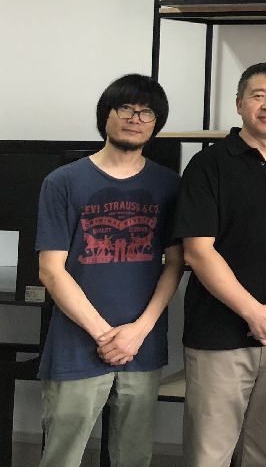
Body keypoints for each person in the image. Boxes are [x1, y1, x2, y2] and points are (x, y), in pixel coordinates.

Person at [173, 62, 266, 467]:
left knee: (264, 453)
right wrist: (254, 312)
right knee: (209, 456)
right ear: (239, 103)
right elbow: (197, 251)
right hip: (219, 335)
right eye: (258, 96)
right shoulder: (209, 164)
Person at [35, 74, 182, 467]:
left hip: (142, 345)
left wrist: (138, 332)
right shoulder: (63, 182)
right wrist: (105, 335)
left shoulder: (170, 185)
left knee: (134, 456)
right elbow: (51, 270)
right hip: (76, 345)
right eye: (125, 108)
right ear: (106, 115)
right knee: (62, 456)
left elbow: (175, 264)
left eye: (146, 112)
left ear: (156, 124)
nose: (135, 118)